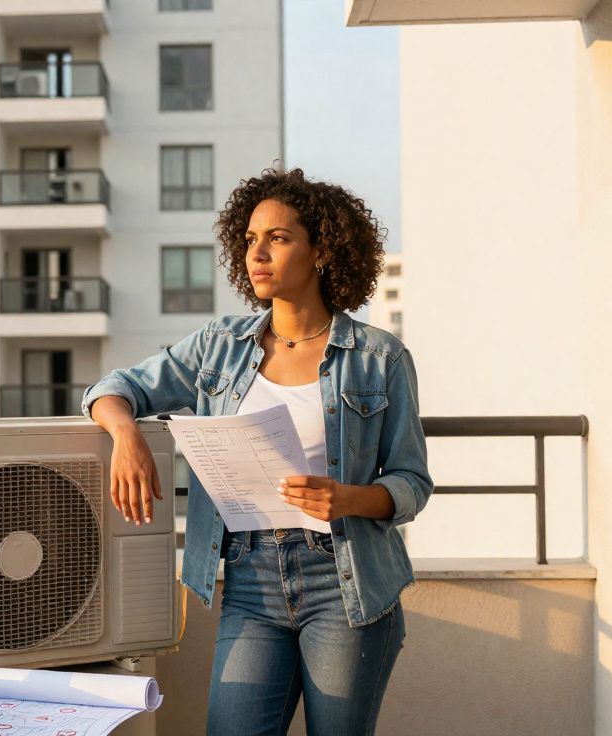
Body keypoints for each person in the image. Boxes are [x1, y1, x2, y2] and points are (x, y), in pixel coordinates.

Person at [81, 166, 433, 735]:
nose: (257, 253)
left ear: (322, 251)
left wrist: (347, 498)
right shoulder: (219, 346)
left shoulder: (379, 357)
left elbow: (411, 482)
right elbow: (114, 388)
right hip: (249, 579)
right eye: (249, 239)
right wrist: (125, 436)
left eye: (278, 238)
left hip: (344, 579)